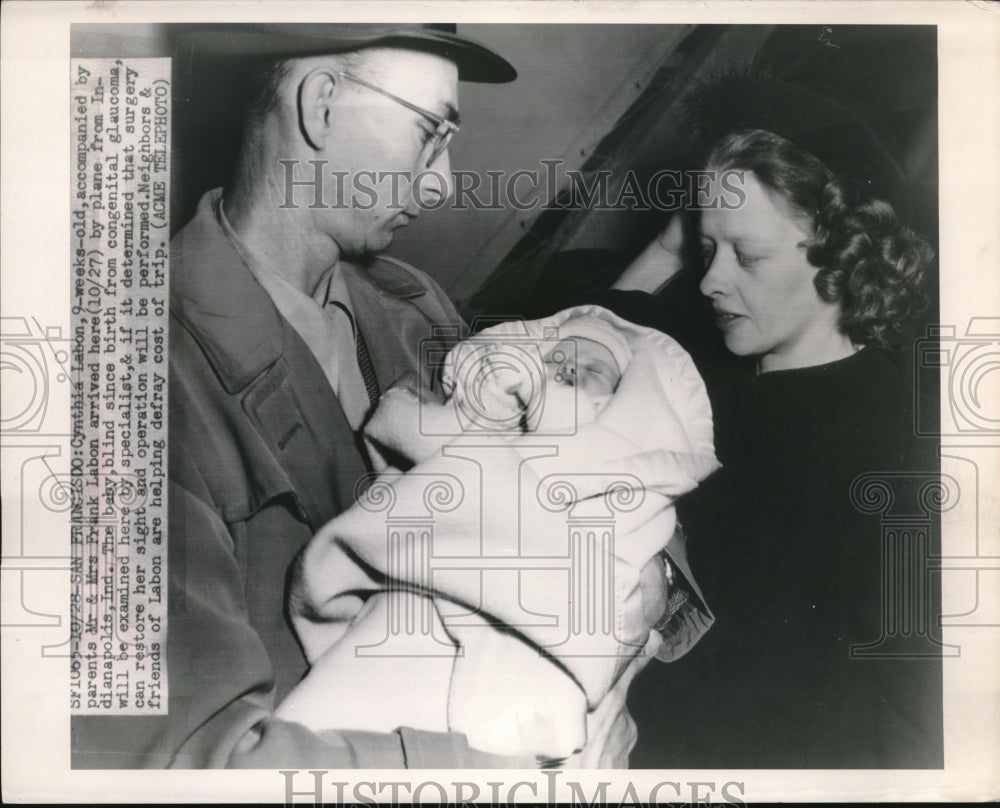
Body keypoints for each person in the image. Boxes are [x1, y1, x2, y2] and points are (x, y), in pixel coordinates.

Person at [70, 22, 545, 769]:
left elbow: (555, 481)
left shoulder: (414, 306)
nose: (441, 181)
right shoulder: (125, 381)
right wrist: (499, 773)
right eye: (429, 132)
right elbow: (193, 763)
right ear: (320, 106)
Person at [600, 74, 943, 767]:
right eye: (706, 252)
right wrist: (676, 243)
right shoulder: (716, 369)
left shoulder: (892, 448)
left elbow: (916, 699)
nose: (710, 280)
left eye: (746, 256)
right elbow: (600, 332)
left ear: (840, 256)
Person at [278, 305, 719, 764]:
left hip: (541, 606)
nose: (568, 370)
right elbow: (422, 443)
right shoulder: (490, 419)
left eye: (594, 370)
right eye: (555, 360)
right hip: (430, 586)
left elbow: (630, 524)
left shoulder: (612, 453)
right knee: (345, 701)